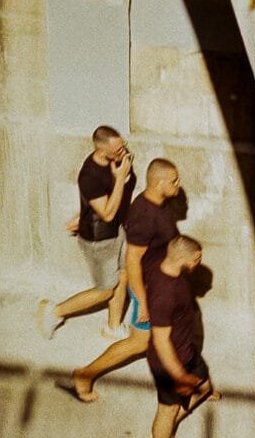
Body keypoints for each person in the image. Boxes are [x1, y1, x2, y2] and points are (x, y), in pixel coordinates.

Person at [56, 157, 183, 403]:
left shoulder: (158, 204)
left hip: (159, 285)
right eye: (174, 181)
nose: (179, 185)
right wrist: (143, 303)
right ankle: (84, 375)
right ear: (158, 184)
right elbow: (132, 262)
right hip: (147, 288)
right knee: (139, 342)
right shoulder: (145, 217)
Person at [37, 126, 135, 340]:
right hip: (99, 240)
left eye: (123, 146)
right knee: (106, 290)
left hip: (116, 230)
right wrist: (120, 178)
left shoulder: (115, 161)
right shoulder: (89, 175)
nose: (124, 151)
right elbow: (107, 213)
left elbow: (100, 203)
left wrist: (81, 214)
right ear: (101, 150)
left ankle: (113, 327)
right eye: (118, 149)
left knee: (124, 275)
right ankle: (54, 311)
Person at [144, 235, 218, 438]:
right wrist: (178, 376)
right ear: (180, 258)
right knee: (167, 409)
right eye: (197, 259)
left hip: (187, 351)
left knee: (204, 387)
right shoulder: (166, 294)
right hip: (169, 363)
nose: (199, 262)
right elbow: (161, 340)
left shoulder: (166, 269)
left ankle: (161, 432)